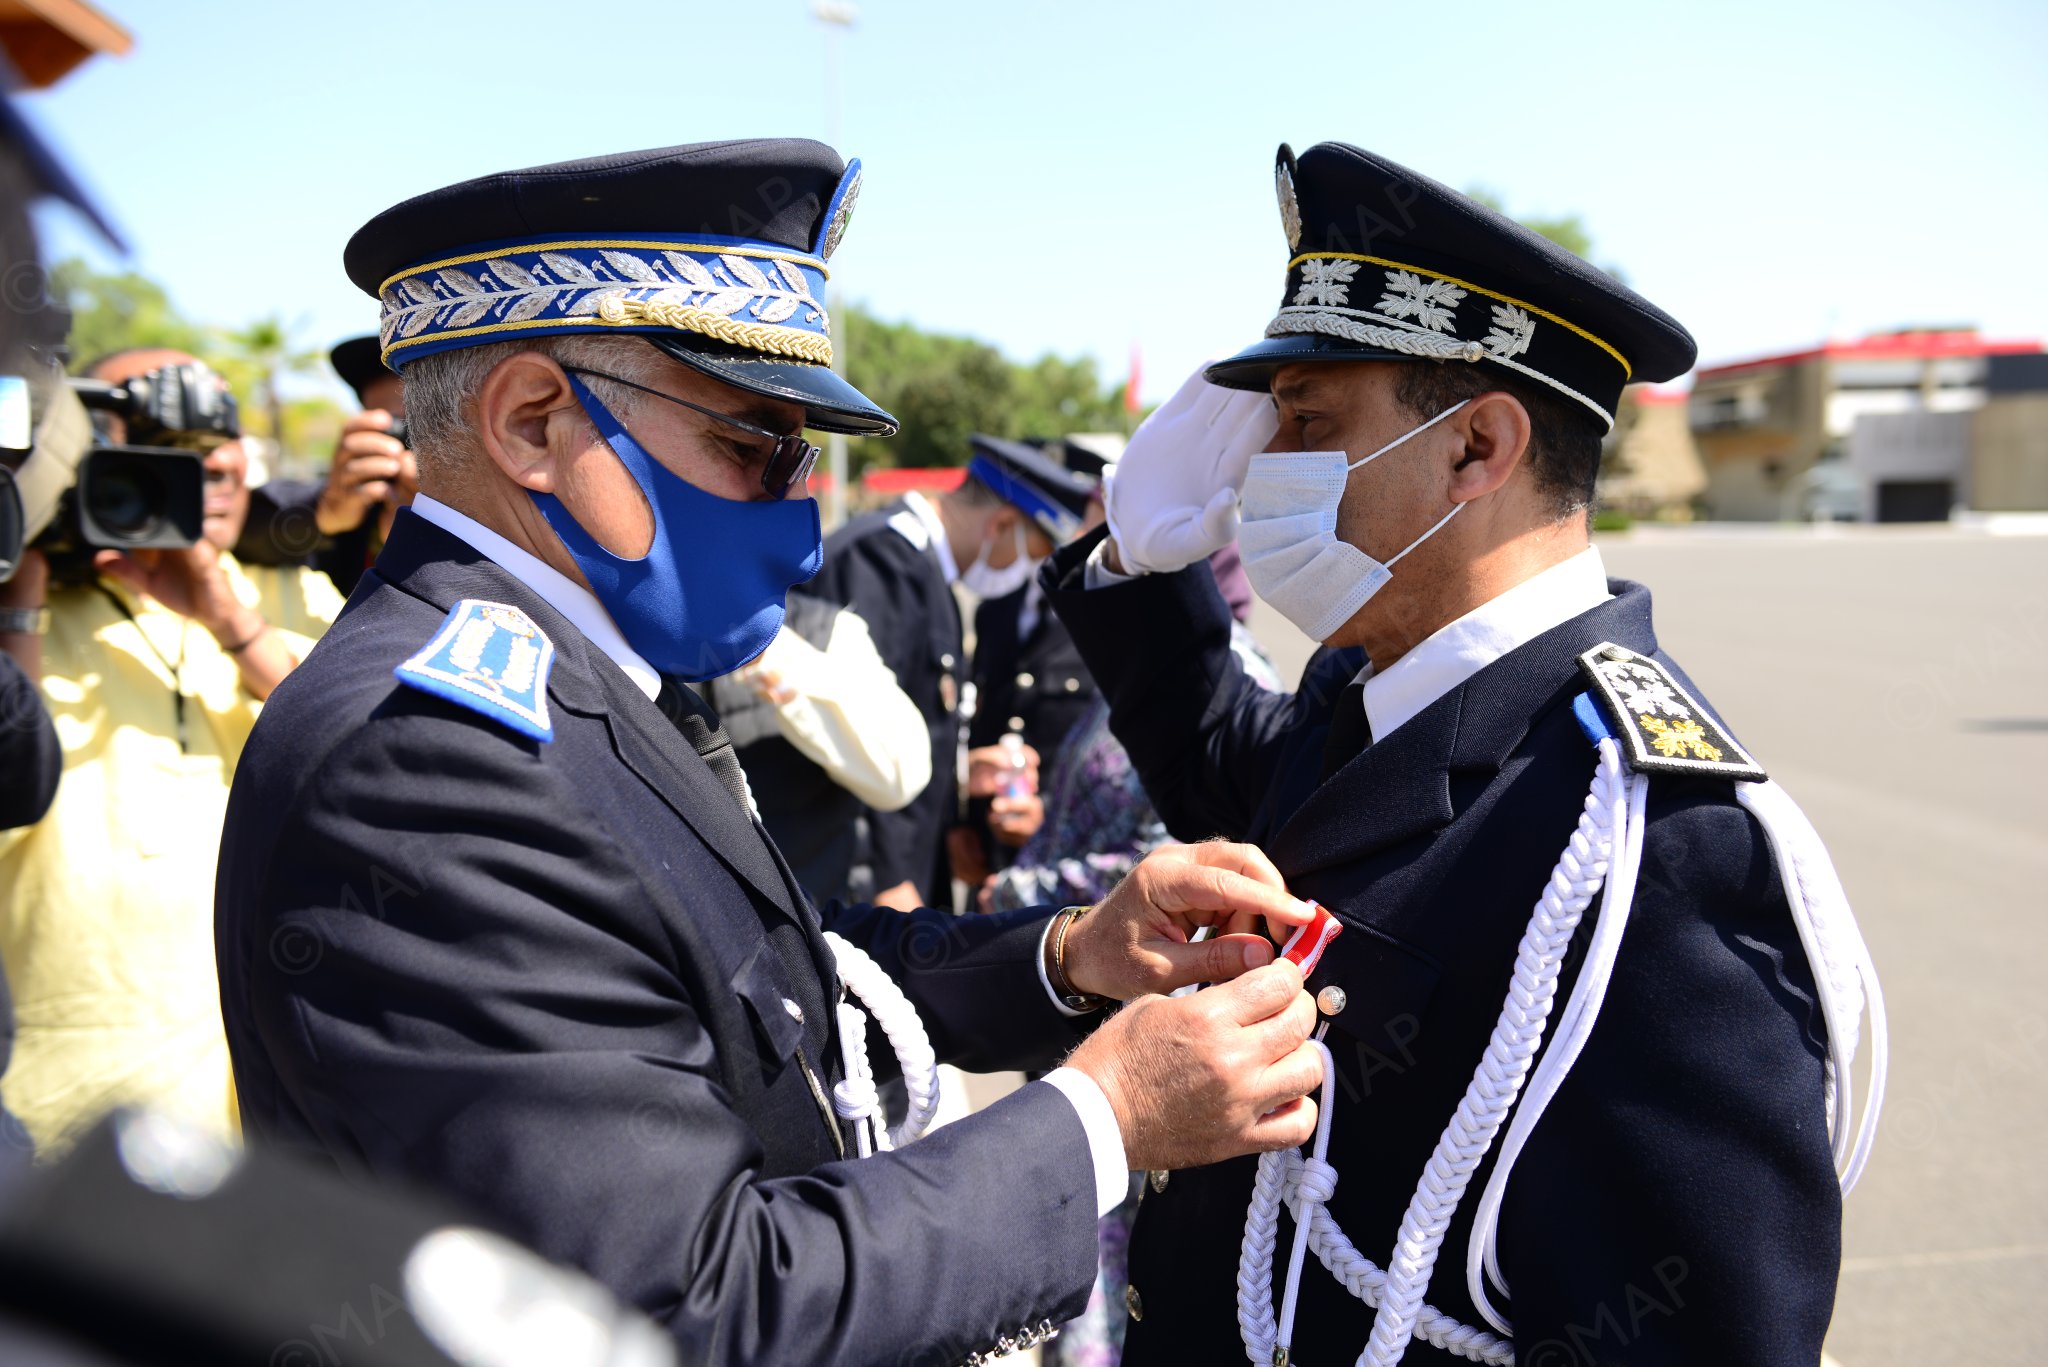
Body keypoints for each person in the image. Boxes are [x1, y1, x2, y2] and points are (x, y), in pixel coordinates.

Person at [213, 140, 1330, 1367]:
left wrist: (1067, 954)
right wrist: (1104, 1114)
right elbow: (684, 1307)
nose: (800, 537)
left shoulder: (571, 671)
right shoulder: (427, 762)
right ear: (535, 422)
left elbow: (764, 960)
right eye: (756, 453)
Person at [1044, 142, 1884, 1365]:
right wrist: (1131, 548)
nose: (1258, 473)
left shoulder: (1651, 844)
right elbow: (1220, 764)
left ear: (1475, 449)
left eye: (1307, 426)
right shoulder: (1371, 689)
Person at [0, 348, 343, 1158]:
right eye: (159, 463)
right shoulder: (30, 608)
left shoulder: (291, 590)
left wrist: (231, 620)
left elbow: (362, 748)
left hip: (267, 1101)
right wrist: (21, 604)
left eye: (216, 468)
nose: (195, 488)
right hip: (64, 1104)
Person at [810, 431, 1092, 909]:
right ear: (1002, 525)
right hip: (864, 887)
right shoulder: (883, 563)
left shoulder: (922, 571)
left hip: (911, 871)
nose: (1028, 573)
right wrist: (886, 875)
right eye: (1036, 554)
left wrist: (959, 773)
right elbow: (846, 736)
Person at [704, 588, 932, 907]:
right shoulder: (641, 637)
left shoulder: (831, 629)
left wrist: (769, 650)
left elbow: (901, 775)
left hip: (820, 910)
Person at [964, 437, 1104, 869]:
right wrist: (964, 826)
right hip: (992, 852)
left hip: (1070, 858)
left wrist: (1047, 810)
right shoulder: (995, 608)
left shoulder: (1107, 619)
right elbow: (981, 718)